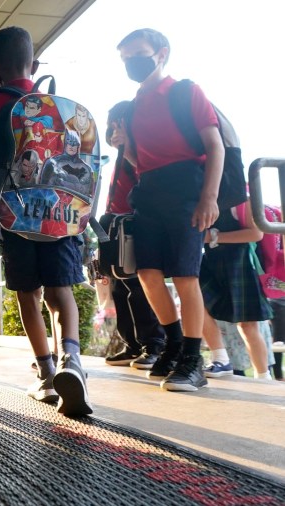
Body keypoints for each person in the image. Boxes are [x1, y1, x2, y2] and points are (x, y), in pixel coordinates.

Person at [0, 26, 92, 416]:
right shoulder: (61, 107)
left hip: (16, 214)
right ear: (34, 64)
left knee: (28, 294)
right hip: (59, 213)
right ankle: (72, 359)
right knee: (61, 292)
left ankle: (45, 374)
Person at [117, 28, 224, 392]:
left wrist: (209, 198)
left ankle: (193, 359)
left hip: (185, 188)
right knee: (147, 273)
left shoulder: (185, 92)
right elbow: (138, 162)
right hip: (149, 191)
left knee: (184, 275)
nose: (132, 63)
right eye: (126, 58)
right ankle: (174, 345)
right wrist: (125, 146)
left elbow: (215, 145)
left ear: (161, 53)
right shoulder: (132, 106)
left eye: (139, 54)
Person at [103, 101, 167, 369]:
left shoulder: (140, 154)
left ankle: (154, 344)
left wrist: (128, 147)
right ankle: (131, 343)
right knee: (120, 287)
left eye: (119, 125)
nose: (114, 132)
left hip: (135, 225)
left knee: (139, 288)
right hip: (117, 227)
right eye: (111, 127)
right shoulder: (119, 157)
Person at [200, 199, 273, 380]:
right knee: (196, 308)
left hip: (239, 265)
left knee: (248, 325)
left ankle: (263, 376)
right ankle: (220, 359)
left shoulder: (242, 198)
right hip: (210, 264)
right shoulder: (196, 195)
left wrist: (213, 236)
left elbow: (256, 234)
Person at [39, 130, 94, 197]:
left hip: (76, 203)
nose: (72, 145)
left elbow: (87, 192)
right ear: (65, 144)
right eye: (69, 142)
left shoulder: (86, 168)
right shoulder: (52, 162)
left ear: (78, 146)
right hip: (52, 200)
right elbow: (42, 189)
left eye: (74, 143)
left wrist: (63, 183)